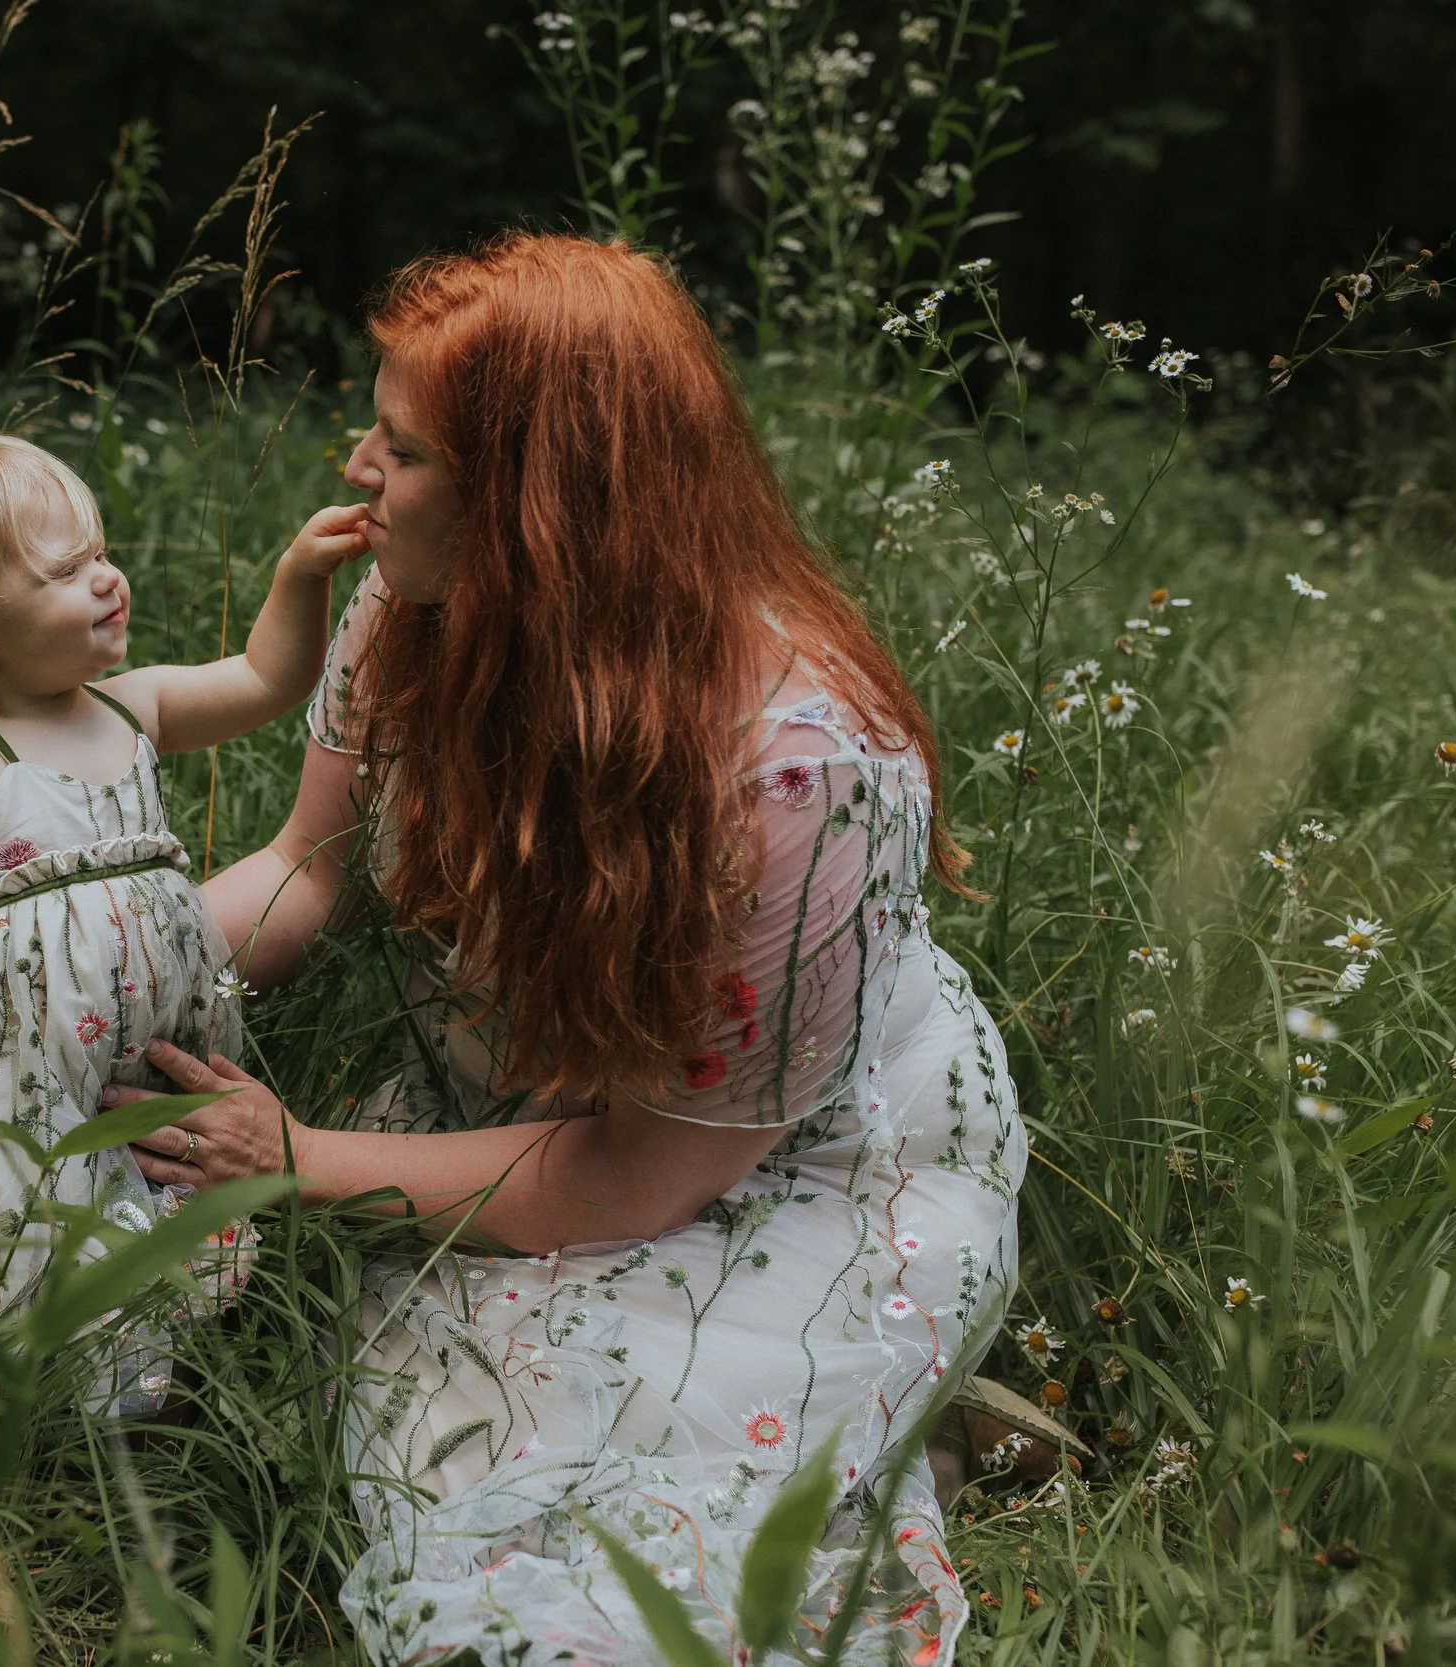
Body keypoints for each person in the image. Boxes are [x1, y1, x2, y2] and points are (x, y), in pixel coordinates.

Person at [97, 237, 1027, 1664]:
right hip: (530, 1084)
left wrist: (296, 1152)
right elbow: (307, 866)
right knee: (464, 1389)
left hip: (759, 1150)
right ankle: (897, 1421)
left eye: (402, 449)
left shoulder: (803, 772)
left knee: (531, 1466)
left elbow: (638, 1172)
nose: (358, 466)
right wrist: (99, 962)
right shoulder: (415, 609)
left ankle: (892, 1414)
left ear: (535, 505)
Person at [0, 433, 366, 1411]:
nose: (109, 578)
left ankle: (151, 1338)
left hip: (148, 1039)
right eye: (69, 570)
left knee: (150, 1160)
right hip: (11, 1061)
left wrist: (298, 578)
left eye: (100, 552)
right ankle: (19, 1370)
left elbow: (263, 680)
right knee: (27, 1192)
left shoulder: (133, 704)